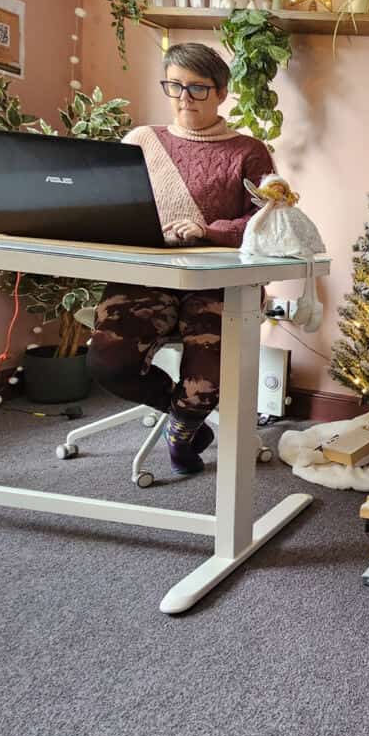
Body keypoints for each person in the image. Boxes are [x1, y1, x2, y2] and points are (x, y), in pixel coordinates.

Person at [87, 42, 274, 477]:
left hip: (219, 280)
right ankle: (183, 417)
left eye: (198, 88)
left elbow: (269, 222)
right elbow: (108, 205)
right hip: (147, 275)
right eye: (174, 85)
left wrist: (208, 231)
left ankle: (184, 429)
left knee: (205, 382)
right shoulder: (141, 141)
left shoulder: (249, 151)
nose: (184, 97)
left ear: (222, 93)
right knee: (107, 363)